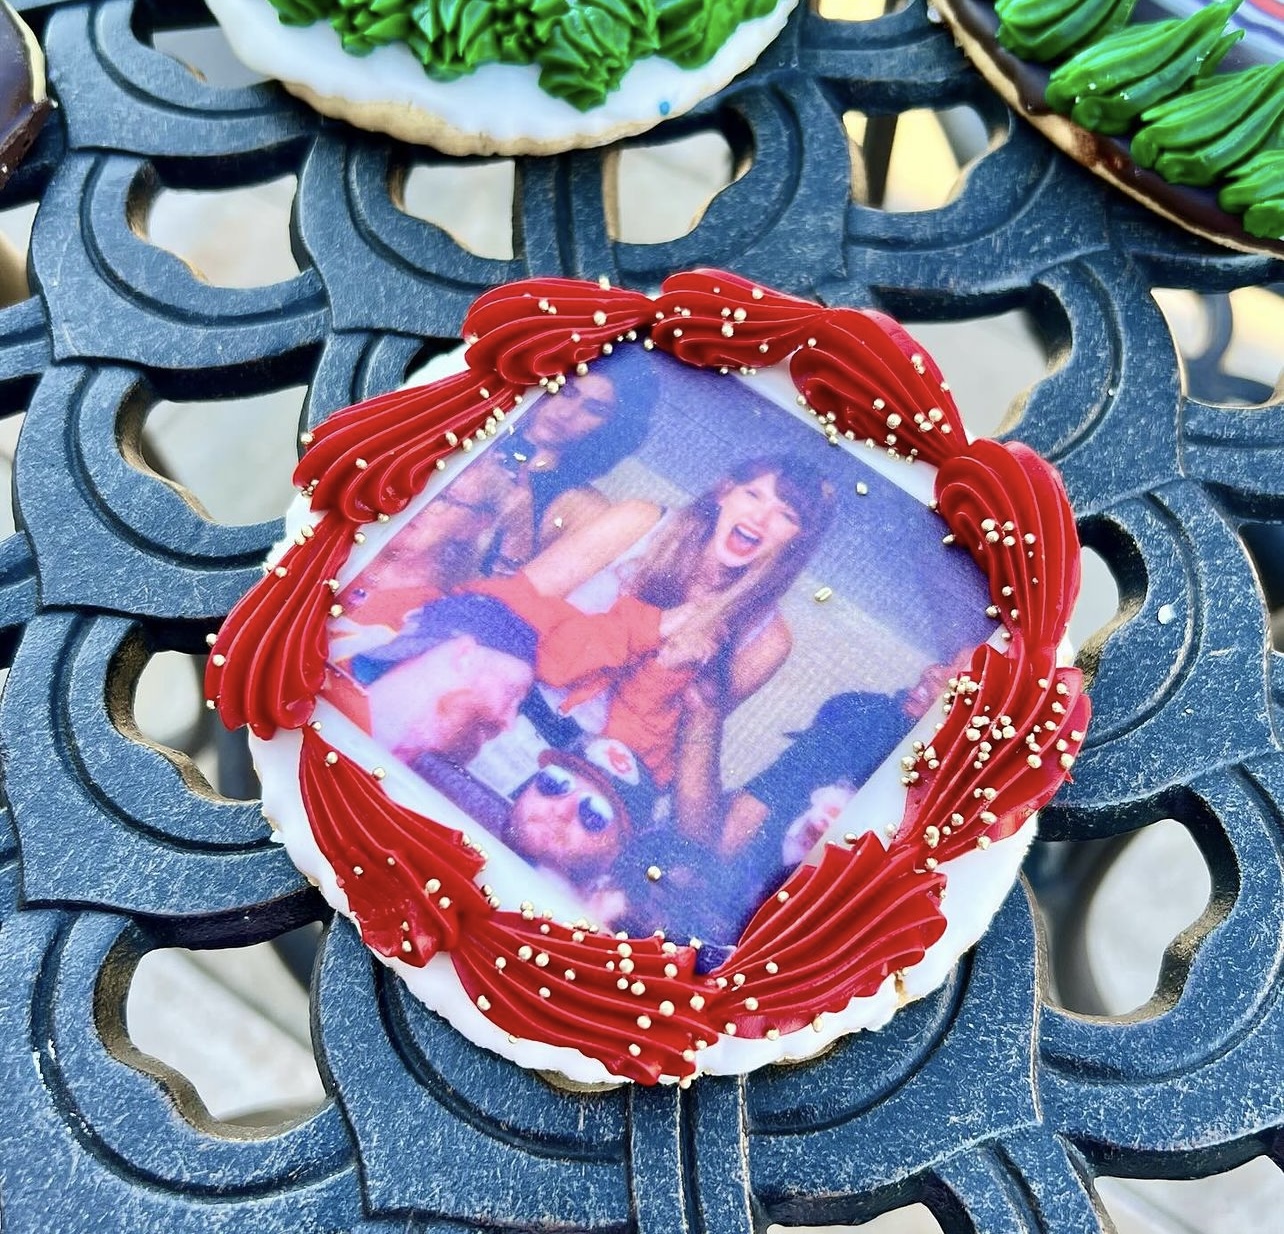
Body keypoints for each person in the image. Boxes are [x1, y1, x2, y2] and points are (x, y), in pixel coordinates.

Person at [473, 455, 837, 816]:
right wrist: (652, 626)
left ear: (799, 539)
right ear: (725, 492)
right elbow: (501, 611)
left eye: (786, 515)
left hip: (591, 778)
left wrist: (665, 672)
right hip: (504, 704)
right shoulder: (640, 520)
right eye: (753, 495)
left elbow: (665, 755)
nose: (760, 518)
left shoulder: (769, 641)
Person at [330, 593, 539, 770]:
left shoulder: (409, 778)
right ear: (464, 655)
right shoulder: (323, 699)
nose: (510, 723)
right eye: (511, 692)